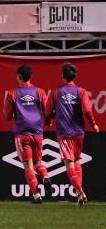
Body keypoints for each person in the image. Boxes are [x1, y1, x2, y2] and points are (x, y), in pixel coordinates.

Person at [45, 62, 99, 206]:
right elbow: (87, 110)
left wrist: (50, 118)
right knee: (76, 161)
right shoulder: (81, 92)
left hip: (64, 133)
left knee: (69, 164)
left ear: (63, 75)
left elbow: (47, 112)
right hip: (79, 133)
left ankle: (80, 192)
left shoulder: (56, 92)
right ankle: (78, 195)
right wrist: (93, 124)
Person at [4, 65, 52, 204]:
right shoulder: (40, 92)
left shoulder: (13, 93)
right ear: (30, 76)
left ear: (19, 76)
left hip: (22, 133)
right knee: (38, 163)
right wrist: (48, 121)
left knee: (28, 167)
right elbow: (47, 111)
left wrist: (14, 112)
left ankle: (37, 196)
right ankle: (45, 177)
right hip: (37, 132)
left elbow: (7, 116)